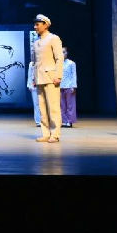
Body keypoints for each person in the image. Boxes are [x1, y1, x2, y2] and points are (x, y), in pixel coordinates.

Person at [30, 14, 63, 143]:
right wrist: (34, 78)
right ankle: (45, 133)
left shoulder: (53, 38)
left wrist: (58, 76)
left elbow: (59, 58)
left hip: (51, 77)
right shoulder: (36, 42)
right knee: (42, 108)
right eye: (35, 24)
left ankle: (55, 134)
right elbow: (34, 62)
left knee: (53, 107)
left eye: (37, 24)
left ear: (45, 25)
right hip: (39, 77)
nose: (35, 27)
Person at [60, 47, 78, 128]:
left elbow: (74, 75)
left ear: (67, 53)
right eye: (61, 52)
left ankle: (70, 121)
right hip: (60, 86)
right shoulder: (57, 64)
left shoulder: (71, 63)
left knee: (70, 105)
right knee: (62, 105)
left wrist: (73, 86)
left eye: (64, 52)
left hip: (69, 86)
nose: (62, 54)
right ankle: (64, 121)